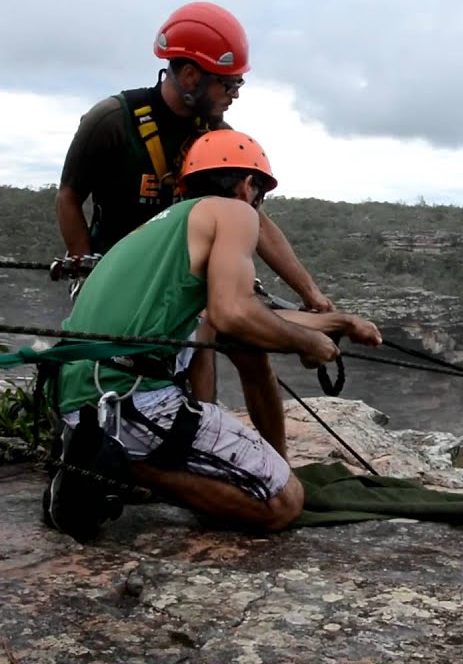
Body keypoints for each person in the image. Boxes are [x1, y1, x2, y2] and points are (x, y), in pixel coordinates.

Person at [43, 129, 382, 541]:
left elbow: (239, 317)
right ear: (247, 185)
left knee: (247, 360)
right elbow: (236, 312)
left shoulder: (164, 229)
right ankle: (120, 465)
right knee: (284, 503)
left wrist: (342, 324)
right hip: (130, 401)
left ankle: (113, 454)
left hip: (83, 401)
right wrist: (309, 343)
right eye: (260, 196)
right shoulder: (235, 212)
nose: (257, 207)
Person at [54, 1, 333, 401]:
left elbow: (255, 219)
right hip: (127, 278)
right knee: (199, 347)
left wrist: (310, 294)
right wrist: (86, 272)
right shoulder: (113, 121)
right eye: (229, 84)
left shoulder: (218, 137)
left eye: (239, 84)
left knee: (252, 354)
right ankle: (196, 429)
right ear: (189, 75)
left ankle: (266, 456)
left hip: (188, 276)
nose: (235, 95)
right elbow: (68, 198)